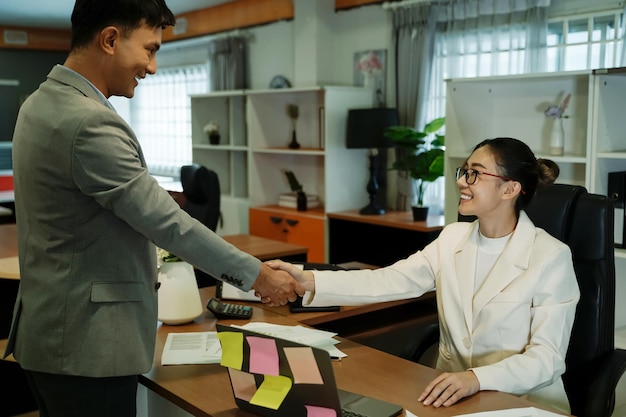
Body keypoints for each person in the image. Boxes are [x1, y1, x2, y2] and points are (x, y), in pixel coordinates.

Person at [3, 1, 304, 416]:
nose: (153, 67)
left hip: (52, 335)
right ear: (109, 39)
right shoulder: (87, 121)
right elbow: (168, 223)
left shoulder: (38, 104)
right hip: (86, 348)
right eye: (149, 49)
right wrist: (260, 276)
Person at [268, 137, 580, 414]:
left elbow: (547, 359)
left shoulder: (550, 256)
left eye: (475, 173)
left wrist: (475, 379)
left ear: (510, 188)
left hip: (521, 403)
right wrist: (307, 279)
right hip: (450, 398)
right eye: (463, 171)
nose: (461, 181)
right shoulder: (453, 238)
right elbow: (388, 280)